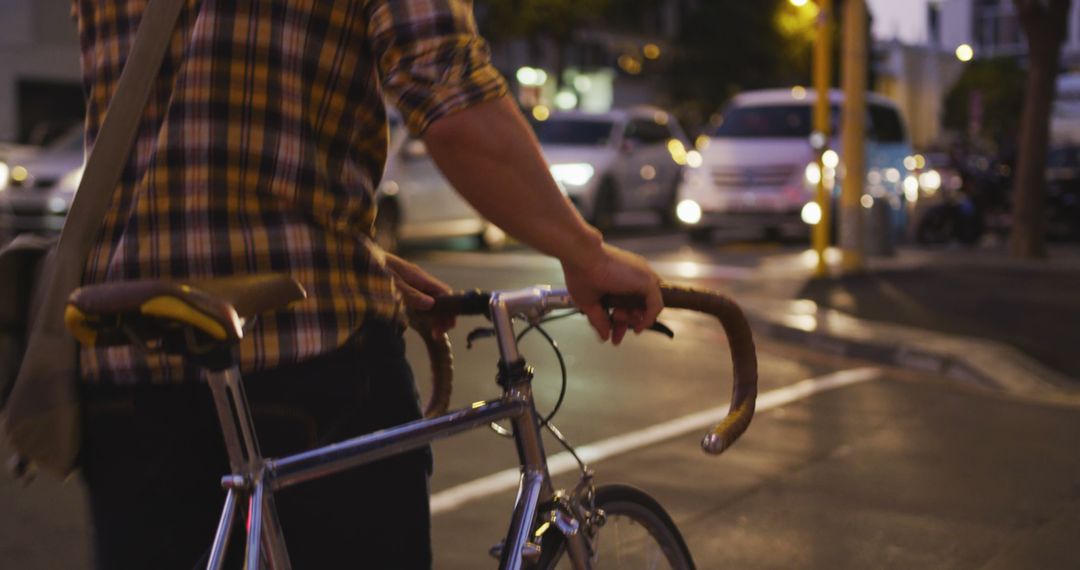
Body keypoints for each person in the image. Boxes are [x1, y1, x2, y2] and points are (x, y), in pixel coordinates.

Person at [72, 0, 662, 568]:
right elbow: (446, 88)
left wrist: (369, 257)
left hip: (125, 351)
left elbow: (176, 130)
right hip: (307, 348)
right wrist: (586, 252)